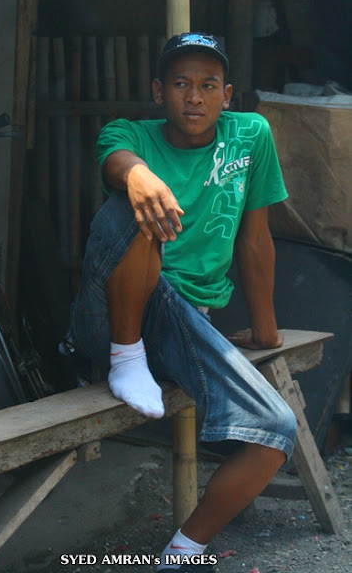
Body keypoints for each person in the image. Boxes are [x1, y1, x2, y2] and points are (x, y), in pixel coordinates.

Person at [68, 32, 297, 571]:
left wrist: (266, 329)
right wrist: (139, 175)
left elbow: (255, 240)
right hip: (111, 315)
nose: (194, 97)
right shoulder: (130, 134)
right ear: (158, 91)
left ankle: (181, 553)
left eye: (208, 85)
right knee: (133, 205)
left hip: (185, 321)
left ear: (227, 95)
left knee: (276, 430)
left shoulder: (250, 136)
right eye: (180, 84)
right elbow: (116, 159)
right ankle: (126, 357)